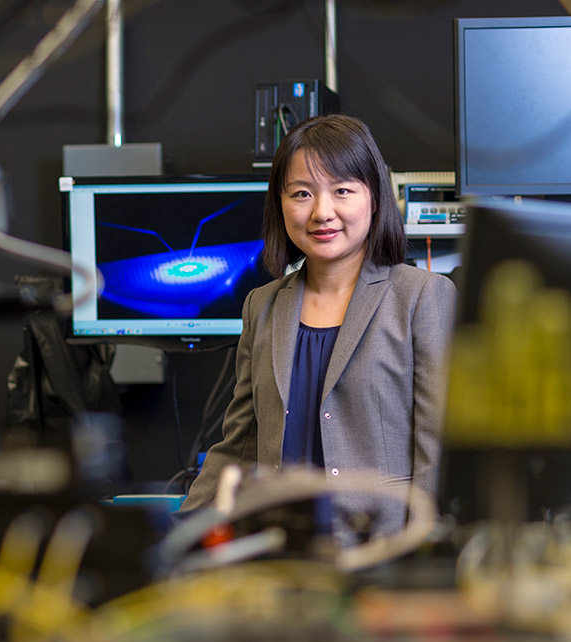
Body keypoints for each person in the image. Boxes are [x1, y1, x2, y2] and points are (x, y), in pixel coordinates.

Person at [179, 114, 456, 544]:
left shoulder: (422, 297)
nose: (322, 212)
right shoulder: (262, 306)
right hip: (277, 554)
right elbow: (238, 446)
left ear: (375, 198)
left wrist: (421, 550)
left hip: (379, 551)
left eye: (342, 190)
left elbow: (437, 451)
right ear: (281, 204)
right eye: (302, 194)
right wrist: (178, 536)